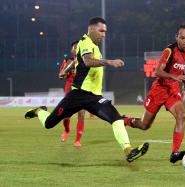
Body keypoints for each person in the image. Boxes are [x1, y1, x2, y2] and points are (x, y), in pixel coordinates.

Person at [24, 17, 149, 162]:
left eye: (105, 31)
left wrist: (66, 69)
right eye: (101, 30)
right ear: (91, 29)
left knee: (116, 119)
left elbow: (77, 60)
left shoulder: (95, 46)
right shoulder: (85, 42)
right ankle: (39, 111)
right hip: (78, 94)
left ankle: (129, 151)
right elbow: (87, 61)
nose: (104, 34)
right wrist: (109, 62)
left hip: (95, 98)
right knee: (49, 124)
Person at [124, 24, 185, 164]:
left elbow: (183, 70)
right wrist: (174, 77)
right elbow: (158, 72)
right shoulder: (169, 50)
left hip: (173, 91)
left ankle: (175, 153)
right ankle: (124, 120)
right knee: (144, 125)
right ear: (177, 37)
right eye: (182, 38)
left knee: (182, 115)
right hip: (159, 90)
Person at [58, 41, 85, 147]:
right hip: (70, 89)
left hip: (82, 89)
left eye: (77, 48)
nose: (75, 49)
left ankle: (77, 140)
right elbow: (61, 75)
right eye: (74, 48)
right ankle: (67, 130)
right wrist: (62, 74)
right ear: (71, 50)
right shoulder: (67, 61)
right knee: (66, 114)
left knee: (81, 114)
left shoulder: (86, 60)